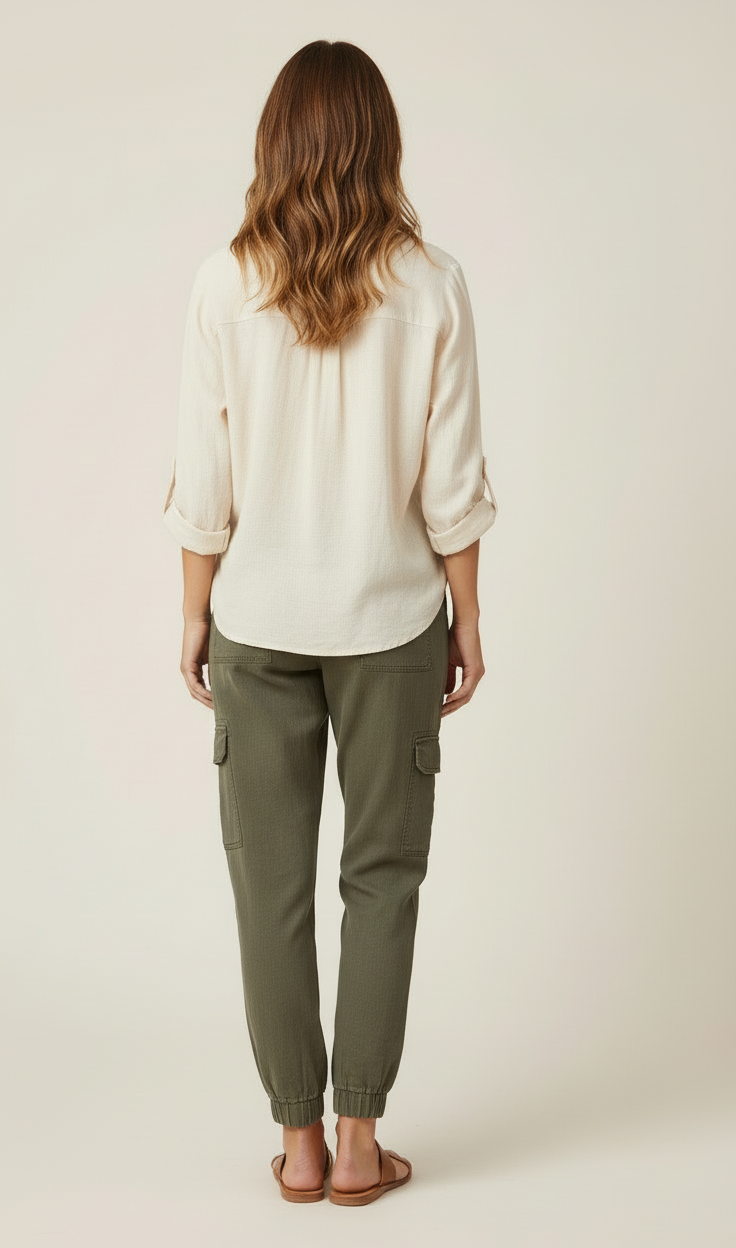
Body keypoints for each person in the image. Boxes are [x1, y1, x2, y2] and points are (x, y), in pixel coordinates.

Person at [162, 39, 498, 1206]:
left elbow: (204, 479)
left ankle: (298, 1147)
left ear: (276, 144)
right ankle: (360, 1144)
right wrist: (466, 615)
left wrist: (193, 612)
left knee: (271, 891)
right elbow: (452, 481)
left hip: (256, 623)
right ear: (379, 143)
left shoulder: (224, 283)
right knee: (382, 878)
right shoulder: (432, 284)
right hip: (393, 620)